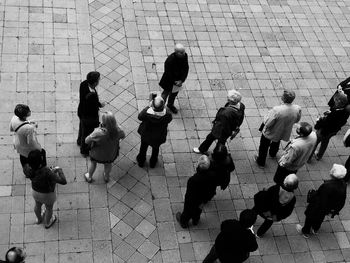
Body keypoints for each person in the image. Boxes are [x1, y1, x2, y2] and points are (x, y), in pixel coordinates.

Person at [296, 164, 347, 238]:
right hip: (328, 208)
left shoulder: (327, 186)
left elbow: (321, 197)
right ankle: (315, 229)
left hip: (318, 206)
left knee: (310, 217)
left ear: (332, 174)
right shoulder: (343, 184)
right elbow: (342, 200)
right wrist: (335, 210)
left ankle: (305, 231)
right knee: (320, 218)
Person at [254, 90, 301, 167]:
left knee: (264, 146)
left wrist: (266, 117)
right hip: (284, 131)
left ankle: (261, 162)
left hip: (272, 131)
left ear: (284, 98)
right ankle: (273, 153)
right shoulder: (297, 108)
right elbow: (297, 120)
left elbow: (268, 123)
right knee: (277, 141)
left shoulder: (277, 110)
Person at [23, 150, 67, 229]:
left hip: (35, 192)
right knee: (49, 208)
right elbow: (63, 181)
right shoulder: (47, 172)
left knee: (37, 205)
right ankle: (47, 223)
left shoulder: (26, 168)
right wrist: (60, 171)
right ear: (41, 160)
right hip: (47, 195)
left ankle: (39, 219)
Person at [193, 89, 245, 154]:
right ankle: (217, 153)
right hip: (229, 129)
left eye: (228, 98)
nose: (227, 98)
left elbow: (224, 125)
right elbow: (241, 118)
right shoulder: (241, 105)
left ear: (231, 101)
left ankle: (203, 149)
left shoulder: (226, 113)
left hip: (220, 129)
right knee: (221, 141)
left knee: (211, 137)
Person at [176, 155, 217, 228]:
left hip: (192, 200)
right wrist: (205, 200)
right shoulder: (213, 176)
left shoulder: (193, 180)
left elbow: (190, 193)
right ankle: (195, 220)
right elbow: (212, 189)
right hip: (203, 199)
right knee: (198, 210)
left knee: (187, 211)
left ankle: (184, 222)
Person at [84, 112, 125, 183]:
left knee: (93, 164)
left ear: (103, 122)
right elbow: (123, 136)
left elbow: (86, 141)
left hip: (97, 154)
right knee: (108, 164)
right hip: (110, 154)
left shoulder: (98, 133)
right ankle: (106, 176)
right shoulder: (119, 130)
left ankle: (89, 176)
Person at [310, 92, 349, 161]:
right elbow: (342, 121)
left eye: (335, 100)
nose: (334, 101)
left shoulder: (334, 114)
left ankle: (308, 157)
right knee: (325, 142)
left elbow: (325, 123)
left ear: (339, 102)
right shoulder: (345, 112)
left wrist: (319, 120)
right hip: (333, 131)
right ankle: (319, 155)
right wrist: (329, 113)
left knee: (315, 142)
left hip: (324, 131)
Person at [136, 95, 172, 168]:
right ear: (163, 106)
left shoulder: (147, 113)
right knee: (155, 149)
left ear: (152, 105)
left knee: (143, 148)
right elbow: (169, 120)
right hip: (158, 137)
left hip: (146, 135)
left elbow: (140, 117)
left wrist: (148, 107)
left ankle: (141, 161)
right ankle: (153, 162)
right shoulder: (167, 114)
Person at [77, 71, 105, 155]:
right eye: (98, 80)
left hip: (81, 112)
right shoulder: (91, 95)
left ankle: (79, 141)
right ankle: (84, 150)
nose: (99, 81)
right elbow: (94, 105)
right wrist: (100, 105)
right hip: (89, 118)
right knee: (87, 134)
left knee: (82, 128)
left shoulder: (83, 84)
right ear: (95, 83)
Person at [159, 43, 189, 114]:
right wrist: (175, 82)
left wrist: (181, 80)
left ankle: (170, 105)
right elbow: (168, 73)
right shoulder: (169, 60)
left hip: (178, 80)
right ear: (176, 52)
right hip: (169, 80)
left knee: (174, 94)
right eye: (181, 53)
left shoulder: (185, 56)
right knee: (165, 94)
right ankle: (160, 107)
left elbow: (186, 69)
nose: (183, 54)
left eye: (183, 52)